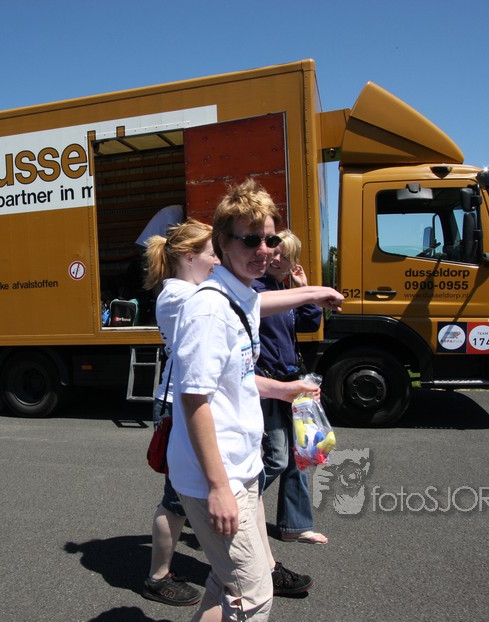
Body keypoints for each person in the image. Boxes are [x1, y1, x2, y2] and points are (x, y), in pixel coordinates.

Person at [169, 179, 343, 621]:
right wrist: (217, 488)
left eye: (270, 239)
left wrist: (283, 389)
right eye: (250, 240)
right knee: (254, 593)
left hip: (242, 467)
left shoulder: (241, 294)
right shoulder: (210, 309)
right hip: (216, 475)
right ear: (222, 243)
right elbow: (194, 399)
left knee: (225, 581)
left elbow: (238, 375)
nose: (263, 250)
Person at [141, 218, 219, 607]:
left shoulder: (191, 290)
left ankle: (247, 566)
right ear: (189, 257)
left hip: (189, 401)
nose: (217, 260)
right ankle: (157, 579)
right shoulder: (178, 294)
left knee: (200, 491)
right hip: (177, 405)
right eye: (212, 253)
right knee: (176, 499)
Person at [253, 230, 328, 545]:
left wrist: (303, 289)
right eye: (274, 253)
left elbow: (309, 324)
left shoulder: (282, 290)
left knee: (301, 453)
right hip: (267, 382)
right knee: (277, 457)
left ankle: (295, 526)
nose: (277, 259)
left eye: (285, 256)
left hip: (292, 380)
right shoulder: (254, 289)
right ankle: (225, 504)